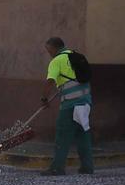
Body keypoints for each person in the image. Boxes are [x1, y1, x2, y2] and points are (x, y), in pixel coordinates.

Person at [40, 36, 95, 175]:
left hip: (70, 105)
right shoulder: (75, 56)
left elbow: (50, 81)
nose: (49, 53)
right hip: (86, 103)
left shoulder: (56, 61)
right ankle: (87, 167)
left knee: (62, 136)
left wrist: (44, 98)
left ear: (54, 48)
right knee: (83, 135)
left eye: (48, 50)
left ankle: (57, 168)